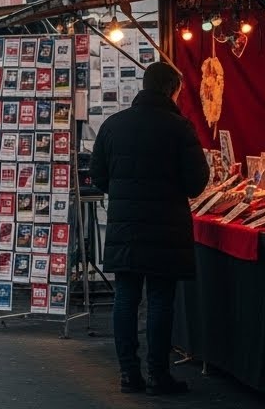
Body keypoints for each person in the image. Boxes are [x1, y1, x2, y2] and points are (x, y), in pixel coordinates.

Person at [91, 62, 209, 396]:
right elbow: (196, 183)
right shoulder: (180, 128)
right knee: (160, 300)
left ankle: (129, 374)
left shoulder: (113, 126)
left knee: (125, 299)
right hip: (165, 230)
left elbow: (99, 176)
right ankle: (159, 375)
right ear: (172, 89)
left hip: (125, 228)